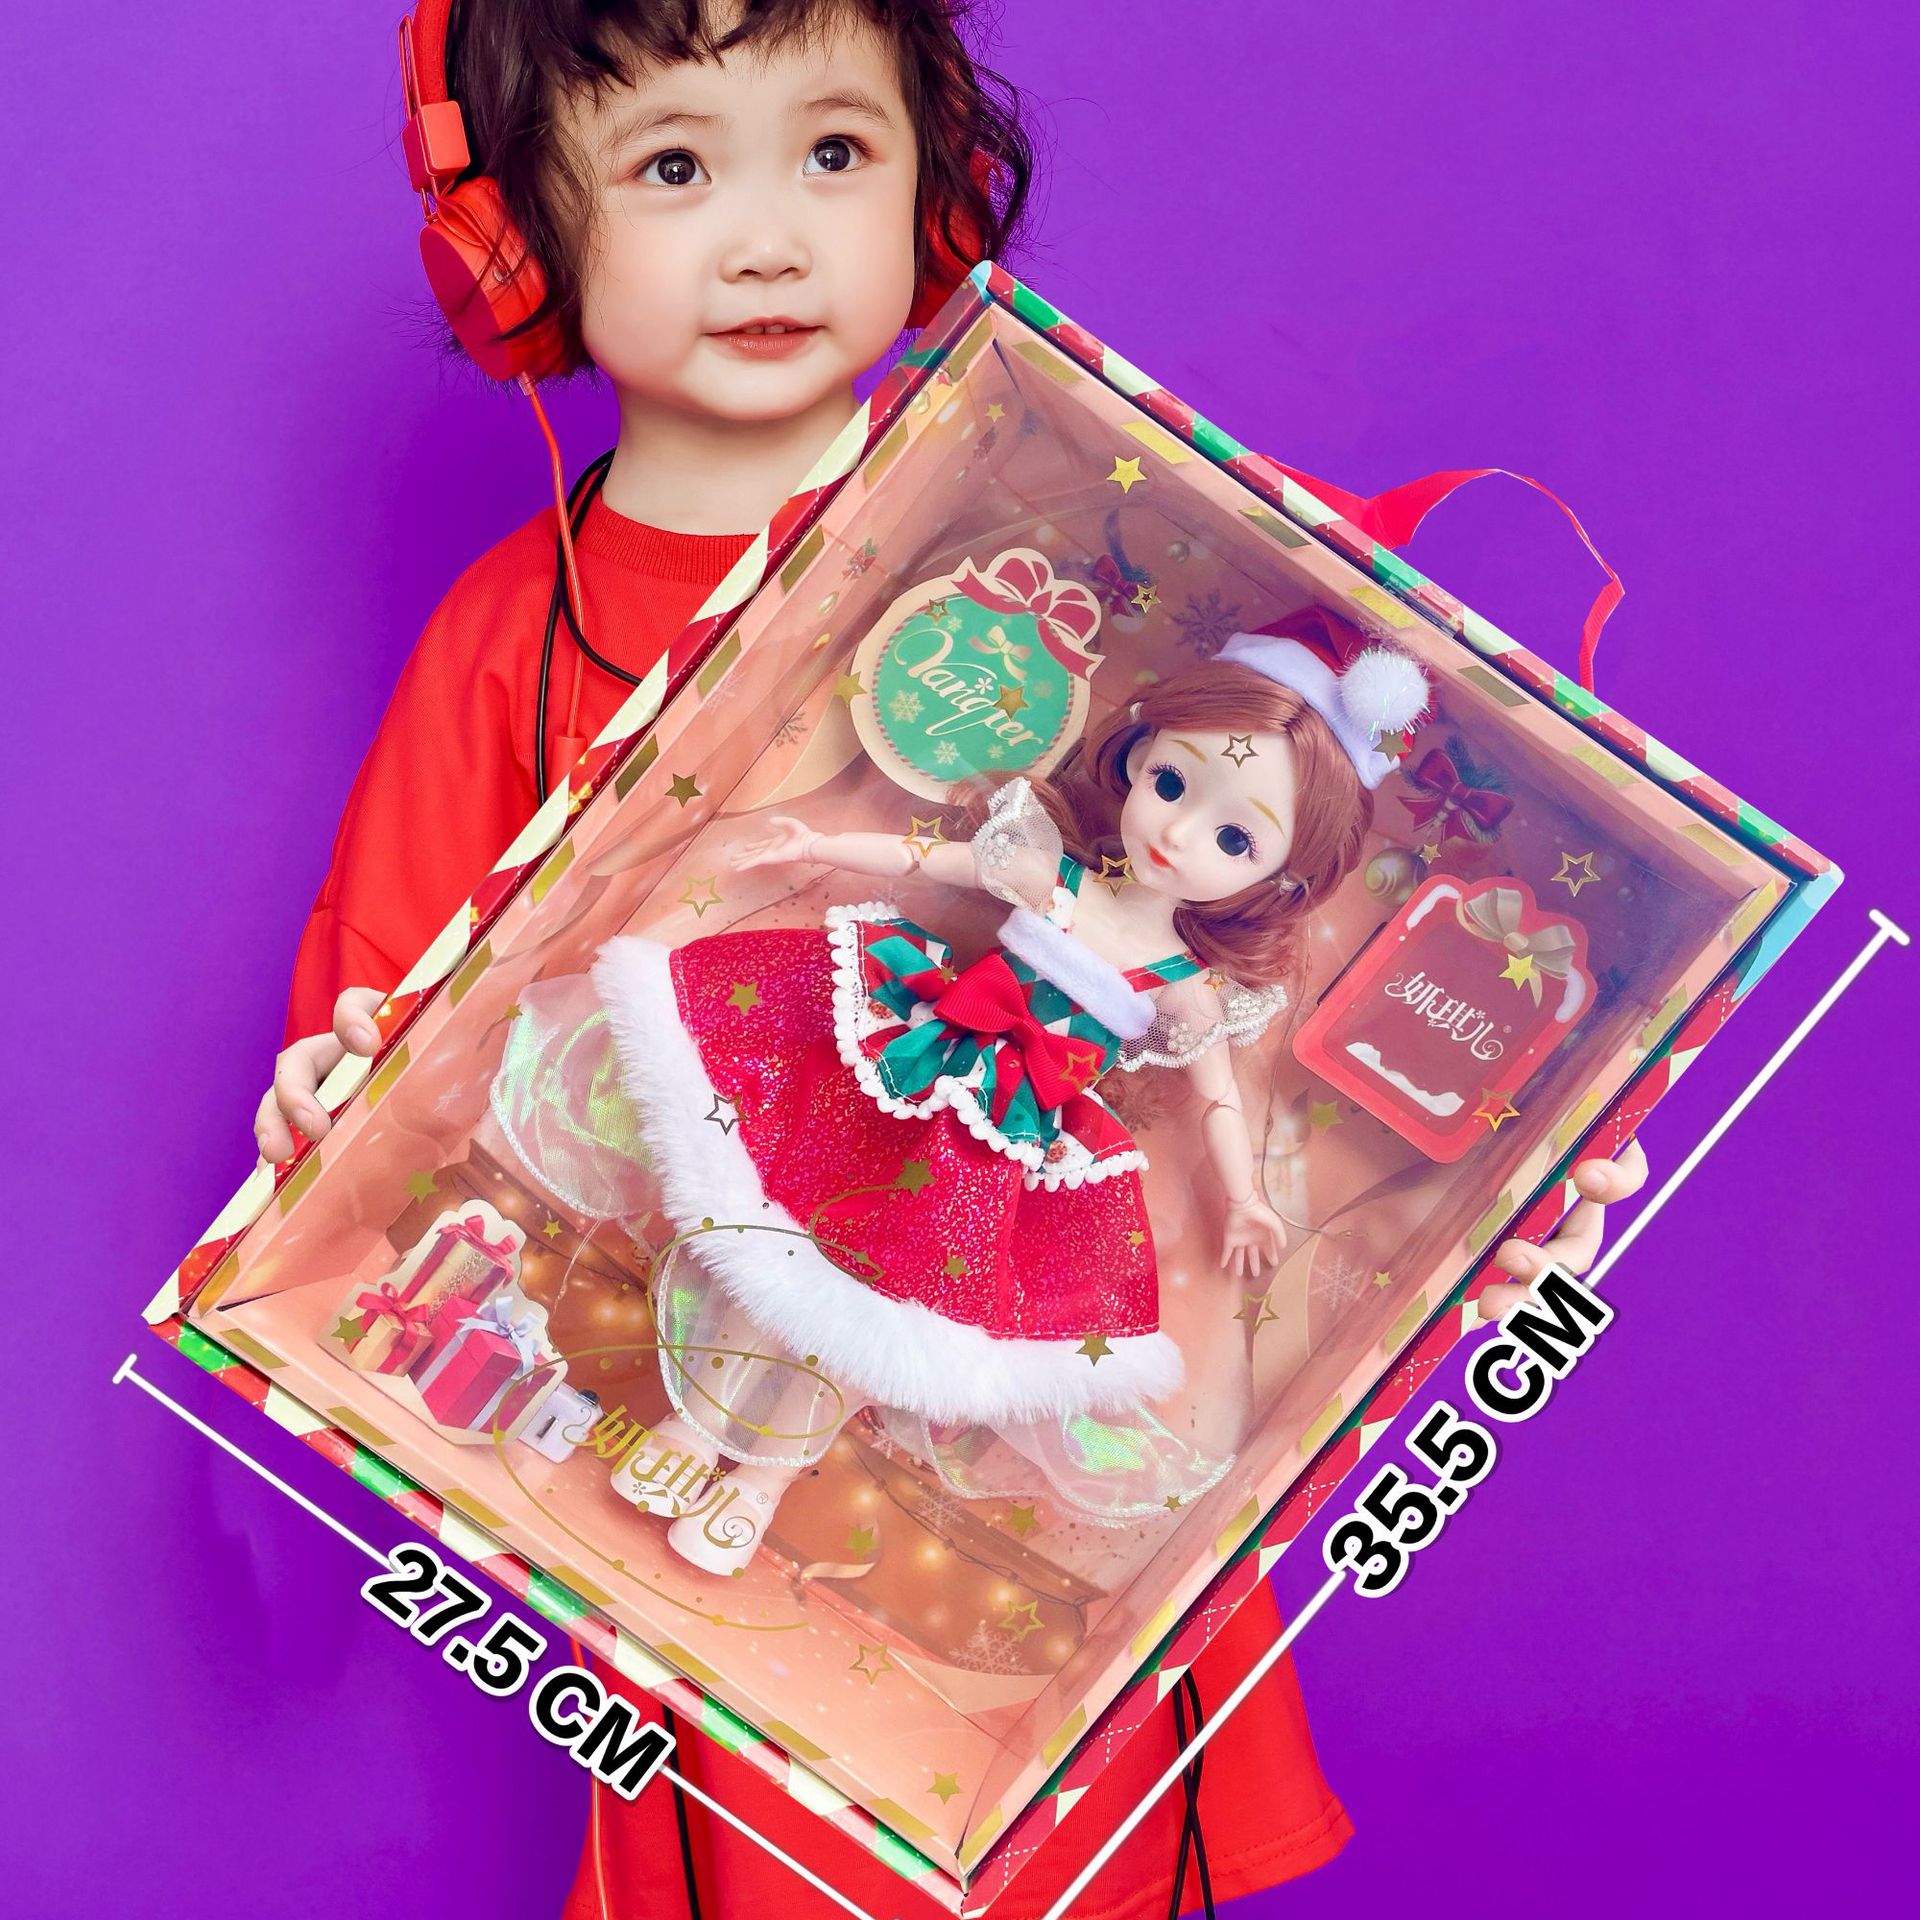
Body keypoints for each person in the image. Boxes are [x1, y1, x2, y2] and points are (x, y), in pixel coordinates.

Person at [256, 3, 1649, 1915]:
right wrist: (335, 1096)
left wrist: (1511, 1164)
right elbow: (393, 1036)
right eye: (676, 165)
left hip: (1048, 1467)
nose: (769, 236)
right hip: (724, 1488)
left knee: (1087, 1819)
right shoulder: (515, 631)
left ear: (941, 191)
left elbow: (1333, 987)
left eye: (833, 151)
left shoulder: (1111, 541)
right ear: (514, 250)